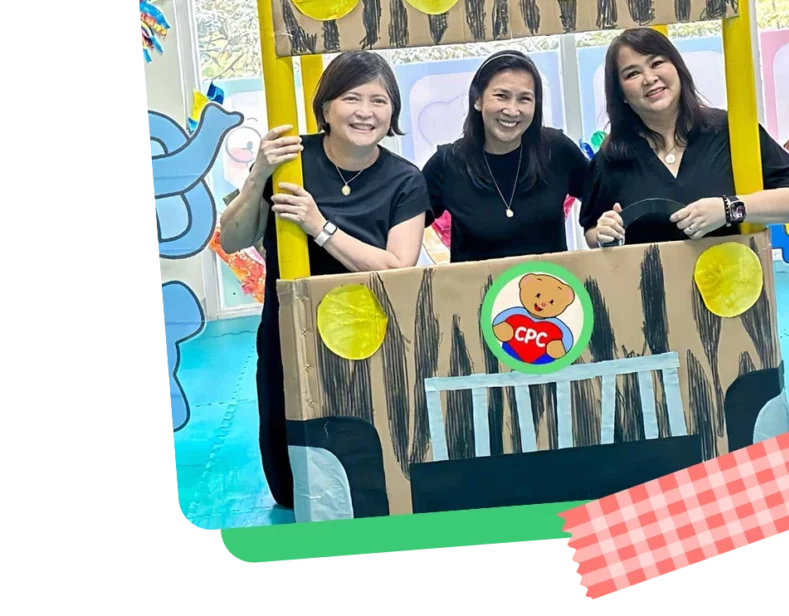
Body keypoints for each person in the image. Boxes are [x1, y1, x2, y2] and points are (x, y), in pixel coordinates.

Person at [219, 51, 430, 510]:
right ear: (326, 107)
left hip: (370, 337)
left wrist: (320, 226)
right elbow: (233, 239)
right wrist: (258, 175)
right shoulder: (292, 161)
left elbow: (399, 267)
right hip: (289, 332)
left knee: (372, 478)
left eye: (379, 101)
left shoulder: (405, 180)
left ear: (392, 111)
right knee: (291, 488)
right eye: (352, 98)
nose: (365, 112)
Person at [581, 28, 789, 248]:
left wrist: (727, 209)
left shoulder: (730, 131)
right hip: (648, 280)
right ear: (621, 93)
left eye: (657, 63)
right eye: (632, 74)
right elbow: (591, 232)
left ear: (678, 69)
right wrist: (604, 231)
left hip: (733, 277)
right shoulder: (612, 155)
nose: (649, 78)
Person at [423, 51, 589, 263]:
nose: (512, 110)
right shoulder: (447, 163)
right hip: (477, 285)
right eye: (501, 96)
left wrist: (597, 228)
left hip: (548, 283)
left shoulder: (556, 150)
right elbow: (404, 224)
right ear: (477, 100)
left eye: (524, 99)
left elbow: (601, 196)